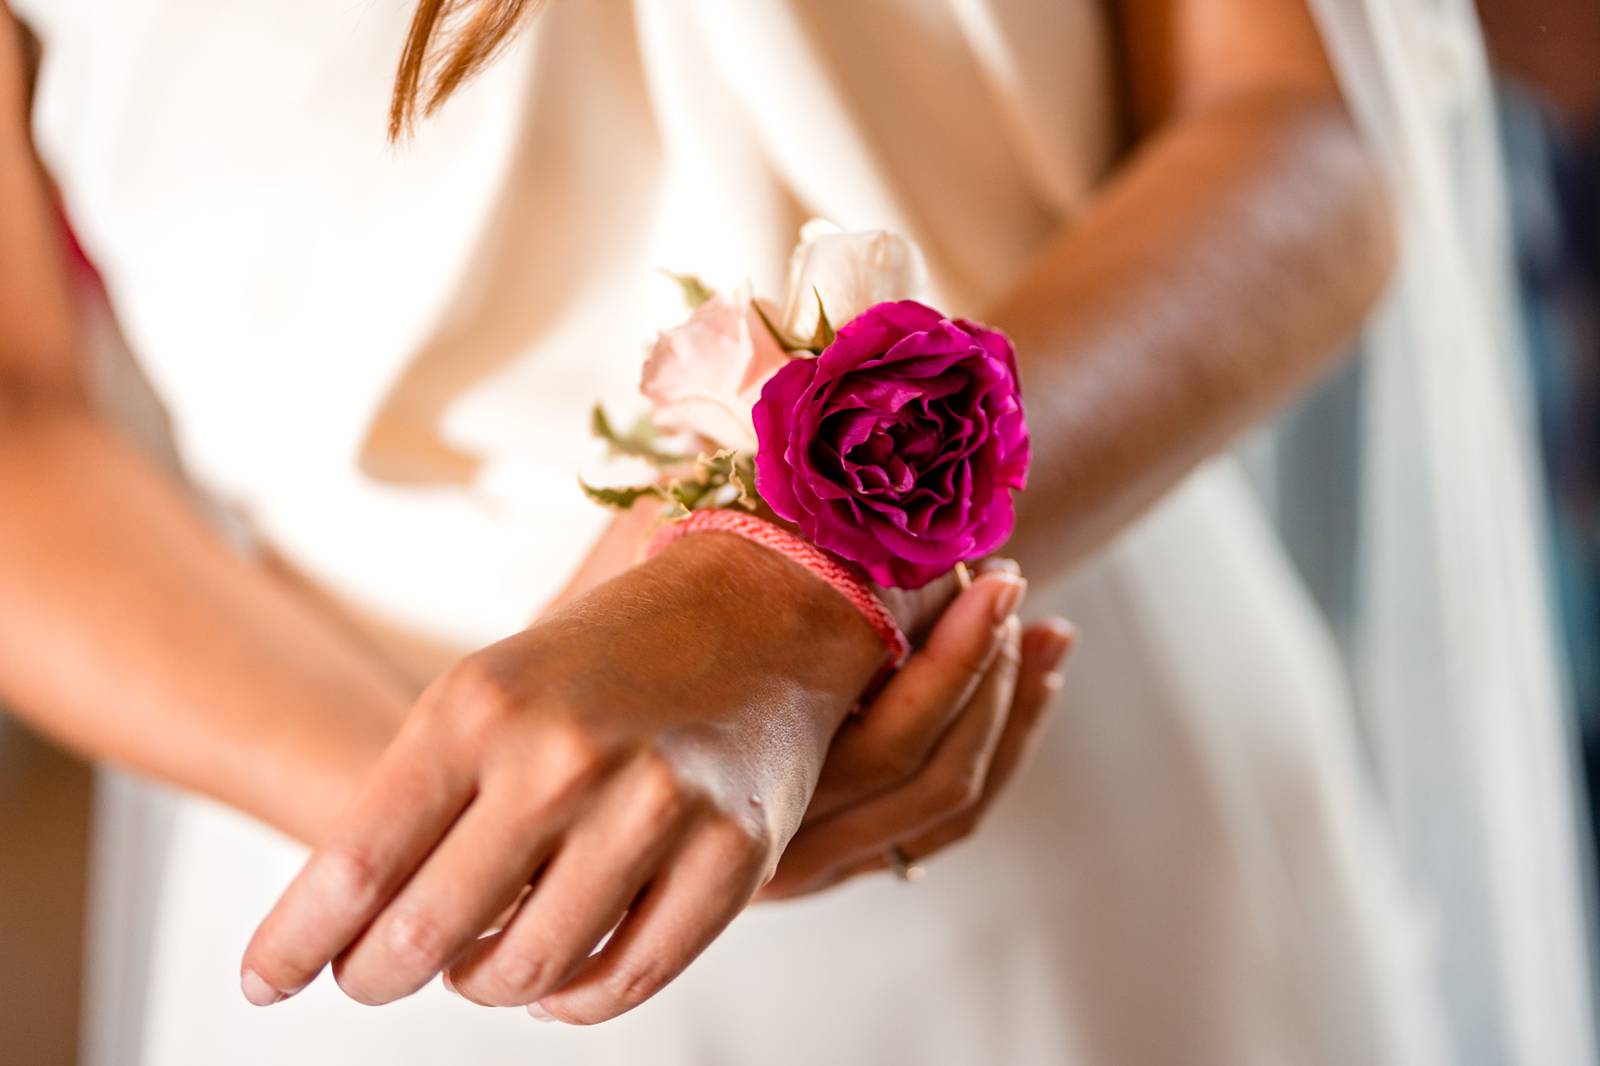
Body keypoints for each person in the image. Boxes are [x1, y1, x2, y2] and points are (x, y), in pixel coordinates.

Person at [0, 1, 1589, 1064]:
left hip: (1070, 741)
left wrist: (788, 578)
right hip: (377, 891)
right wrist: (451, 829)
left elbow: (1302, 124)